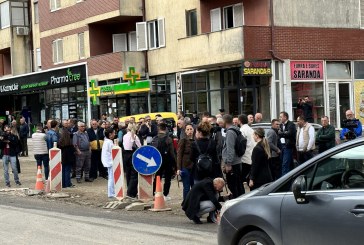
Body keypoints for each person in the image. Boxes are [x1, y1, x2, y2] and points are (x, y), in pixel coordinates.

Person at [152, 122, 176, 200]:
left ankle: (155, 192)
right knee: (168, 178)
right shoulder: (168, 139)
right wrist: (175, 164)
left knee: (157, 177)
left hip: (158, 161)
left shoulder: (155, 138)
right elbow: (172, 152)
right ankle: (165, 194)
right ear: (165, 129)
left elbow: (153, 150)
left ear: (158, 129)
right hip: (167, 160)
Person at [222, 114, 244, 198]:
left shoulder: (230, 132)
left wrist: (228, 164)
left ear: (225, 121)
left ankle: (237, 204)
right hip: (237, 161)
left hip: (233, 164)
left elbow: (230, 149)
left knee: (234, 186)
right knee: (238, 185)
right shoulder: (236, 130)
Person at [122, 123, 142, 198]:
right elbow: (140, 146)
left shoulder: (124, 136)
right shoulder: (135, 136)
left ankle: (131, 192)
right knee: (134, 175)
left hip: (126, 155)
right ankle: (130, 192)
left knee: (128, 174)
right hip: (133, 155)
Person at [177, 124, 195, 200]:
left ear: (193, 130)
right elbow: (179, 155)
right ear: (185, 131)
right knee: (186, 187)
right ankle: (186, 203)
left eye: (191, 129)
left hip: (194, 167)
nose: (189, 131)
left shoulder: (196, 140)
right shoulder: (183, 141)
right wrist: (178, 168)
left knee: (194, 186)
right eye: (187, 129)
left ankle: (194, 202)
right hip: (185, 166)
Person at [238, 114, 256, 187]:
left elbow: (241, 144)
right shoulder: (251, 129)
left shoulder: (242, 130)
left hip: (245, 157)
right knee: (249, 177)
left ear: (239, 121)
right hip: (251, 156)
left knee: (243, 178)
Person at [278, 111, 296, 176]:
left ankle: (284, 181)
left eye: (281, 117)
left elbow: (289, 133)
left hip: (288, 146)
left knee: (285, 164)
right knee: (287, 164)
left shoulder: (291, 124)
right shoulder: (280, 125)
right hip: (282, 146)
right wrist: (283, 133)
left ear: (285, 117)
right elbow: (279, 133)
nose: (279, 118)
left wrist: (282, 133)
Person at [58, 121, 74, 188]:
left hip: (63, 153)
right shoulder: (66, 133)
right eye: (66, 123)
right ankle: (67, 183)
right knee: (67, 169)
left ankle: (64, 183)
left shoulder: (61, 132)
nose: (67, 124)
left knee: (64, 169)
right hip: (67, 153)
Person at [101, 128, 116, 199]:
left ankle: (112, 192)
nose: (114, 134)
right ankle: (111, 193)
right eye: (113, 133)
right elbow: (114, 151)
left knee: (111, 177)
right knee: (111, 178)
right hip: (110, 162)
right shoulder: (109, 142)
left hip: (108, 161)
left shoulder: (107, 141)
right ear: (110, 134)